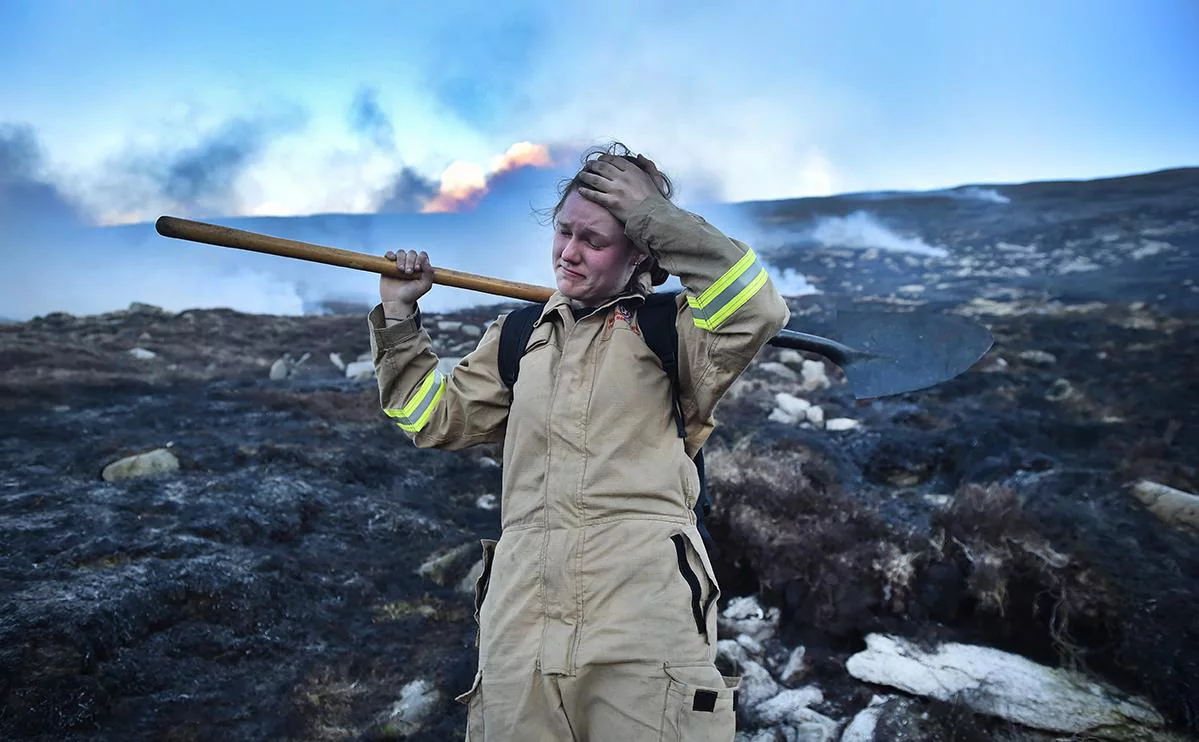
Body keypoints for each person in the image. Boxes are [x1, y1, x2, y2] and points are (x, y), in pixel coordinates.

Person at [367, 143, 790, 741]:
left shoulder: (678, 332)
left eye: (594, 241)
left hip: (642, 623)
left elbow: (755, 306)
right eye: (564, 232)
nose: (568, 253)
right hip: (520, 624)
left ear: (641, 249)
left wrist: (652, 213)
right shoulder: (518, 336)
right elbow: (431, 418)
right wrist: (399, 319)